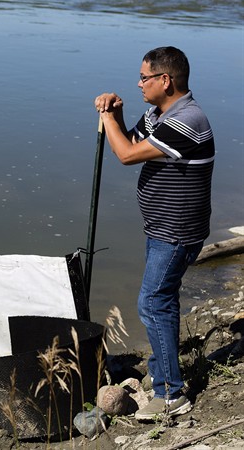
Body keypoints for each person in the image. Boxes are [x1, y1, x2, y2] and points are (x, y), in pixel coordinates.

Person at [94, 46, 214, 421]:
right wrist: (117, 114)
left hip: (177, 232)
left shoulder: (186, 120)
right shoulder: (161, 113)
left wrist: (105, 117)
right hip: (163, 228)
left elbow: (126, 156)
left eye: (145, 77)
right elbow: (132, 143)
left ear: (166, 80)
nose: (139, 83)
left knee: (152, 302)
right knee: (162, 299)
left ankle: (171, 395)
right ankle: (162, 372)